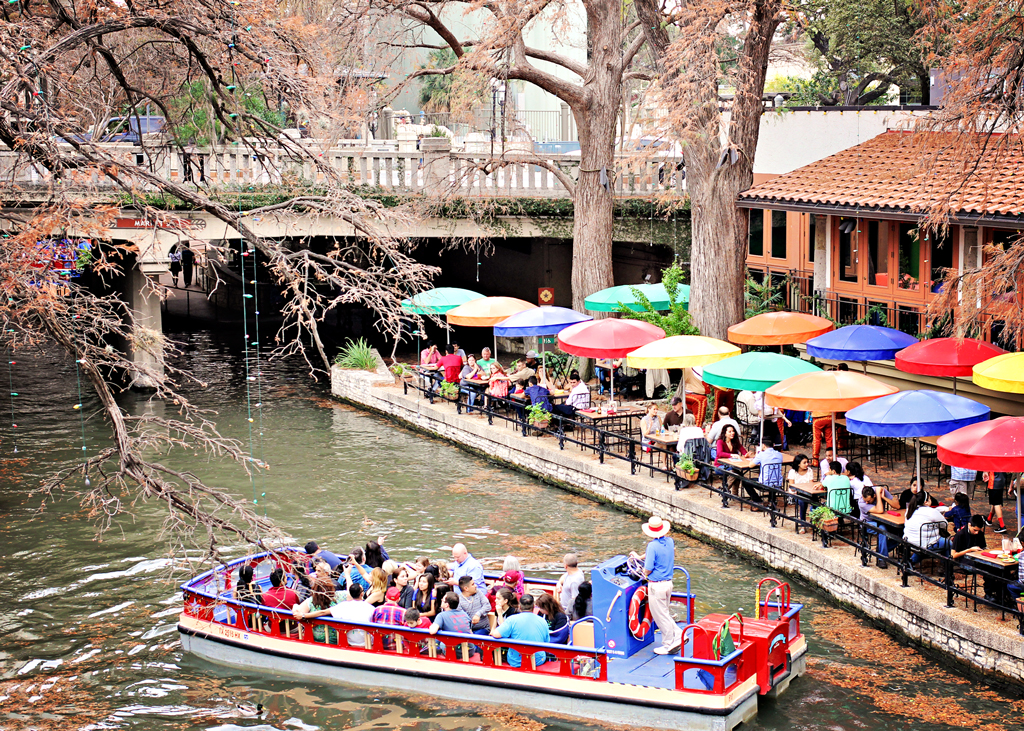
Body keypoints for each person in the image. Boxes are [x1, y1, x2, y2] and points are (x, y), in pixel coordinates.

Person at [629, 516, 681, 655]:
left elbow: (648, 568)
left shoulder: (652, 546)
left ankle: (669, 644)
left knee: (660, 615)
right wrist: (640, 557)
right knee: (665, 612)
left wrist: (644, 572)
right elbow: (656, 554)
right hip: (668, 583)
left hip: (656, 585)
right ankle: (680, 634)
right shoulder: (669, 542)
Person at [491, 593, 550, 668]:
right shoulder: (543, 621)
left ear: (519, 607)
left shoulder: (512, 620)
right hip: (538, 660)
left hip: (516, 661)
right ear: (534, 607)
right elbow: (546, 641)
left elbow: (496, 634)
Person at [904, 492, 951, 558]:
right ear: (926, 502)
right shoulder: (932, 511)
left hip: (909, 542)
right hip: (925, 544)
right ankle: (947, 565)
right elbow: (944, 524)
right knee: (949, 543)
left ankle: (913, 561)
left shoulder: (909, 510)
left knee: (922, 542)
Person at [293, 578, 339, 643]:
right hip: (335, 638)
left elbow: (298, 611)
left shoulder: (310, 601)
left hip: (321, 638)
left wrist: (295, 607)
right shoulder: (339, 597)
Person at [857, 486, 893, 569]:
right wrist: (878, 494)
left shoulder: (880, 491)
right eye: (865, 500)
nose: (866, 502)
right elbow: (880, 510)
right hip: (867, 523)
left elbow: (897, 505)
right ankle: (881, 558)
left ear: (874, 496)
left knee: (899, 532)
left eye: (869, 501)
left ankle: (881, 550)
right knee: (882, 530)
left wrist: (882, 496)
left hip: (882, 521)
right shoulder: (861, 502)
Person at [748, 438, 784, 507]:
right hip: (778, 483)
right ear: (773, 445)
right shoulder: (779, 455)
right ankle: (771, 500)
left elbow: (750, 465)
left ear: (763, 445)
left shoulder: (761, 454)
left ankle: (758, 501)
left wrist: (756, 456)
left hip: (765, 484)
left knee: (745, 482)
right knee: (772, 476)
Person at [787, 453, 815, 533]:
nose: (807, 464)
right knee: (802, 502)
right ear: (799, 464)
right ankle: (802, 524)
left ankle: (813, 521)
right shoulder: (792, 472)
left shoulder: (809, 471)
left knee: (816, 502)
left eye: (807, 462)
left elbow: (811, 484)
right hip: (795, 494)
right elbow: (792, 487)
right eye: (804, 462)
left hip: (807, 492)